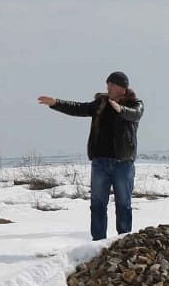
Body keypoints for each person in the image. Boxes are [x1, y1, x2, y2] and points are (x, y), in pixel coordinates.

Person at [38, 71, 144, 240]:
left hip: (123, 164)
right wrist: (56, 103)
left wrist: (121, 109)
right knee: (97, 205)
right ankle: (97, 242)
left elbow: (135, 114)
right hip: (100, 162)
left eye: (113, 84)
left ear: (123, 89)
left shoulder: (135, 104)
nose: (108, 87)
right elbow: (78, 108)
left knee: (124, 204)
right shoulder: (100, 103)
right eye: (108, 84)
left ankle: (124, 241)